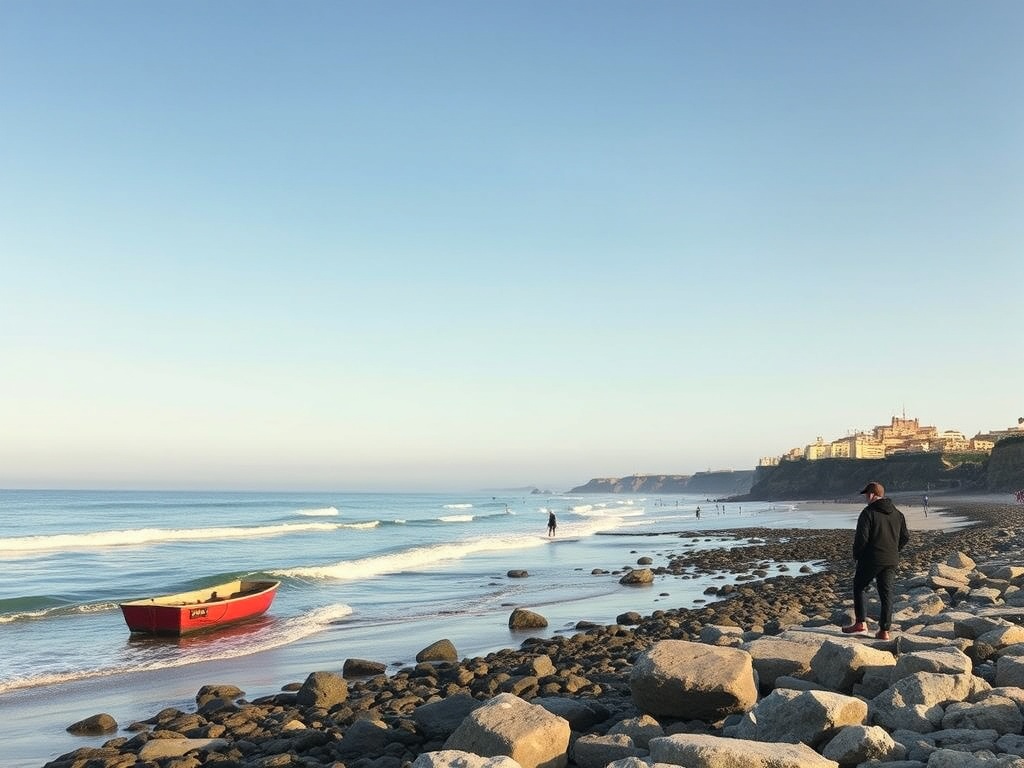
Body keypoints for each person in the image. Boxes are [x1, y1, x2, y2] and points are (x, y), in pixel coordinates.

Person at [842, 481, 909, 640]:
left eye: (866, 494)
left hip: (871, 558)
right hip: (891, 559)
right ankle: (884, 631)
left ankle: (861, 623)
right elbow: (905, 537)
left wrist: (857, 555)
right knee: (887, 594)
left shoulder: (868, 513)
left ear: (872, 495)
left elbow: (861, 539)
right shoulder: (897, 513)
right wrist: (894, 549)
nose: (866, 497)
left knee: (859, 586)